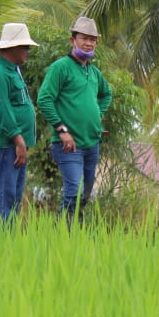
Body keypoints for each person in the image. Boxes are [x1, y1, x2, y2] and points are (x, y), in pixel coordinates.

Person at [37, 16, 113, 223]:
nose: (88, 43)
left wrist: (97, 111)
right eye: (84, 38)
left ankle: (73, 233)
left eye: (92, 39)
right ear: (73, 40)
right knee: (74, 191)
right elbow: (44, 99)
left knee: (85, 194)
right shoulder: (60, 67)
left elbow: (107, 94)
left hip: (92, 143)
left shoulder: (94, 72)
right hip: (69, 145)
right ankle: (62, 233)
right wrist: (62, 130)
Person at [0, 22, 39, 222]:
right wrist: (19, 141)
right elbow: (2, 110)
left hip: (15, 145)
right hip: (7, 145)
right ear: (11, 47)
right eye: (25, 47)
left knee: (13, 198)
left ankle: (7, 243)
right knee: (5, 198)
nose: (27, 51)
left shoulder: (12, 70)